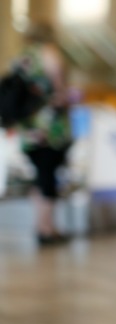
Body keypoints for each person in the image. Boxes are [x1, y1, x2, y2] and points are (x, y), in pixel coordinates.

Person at [12, 23, 72, 246]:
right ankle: (46, 229)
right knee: (48, 176)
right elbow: (60, 92)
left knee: (39, 176)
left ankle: (42, 224)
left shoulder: (20, 58)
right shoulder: (50, 54)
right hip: (49, 127)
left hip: (27, 127)